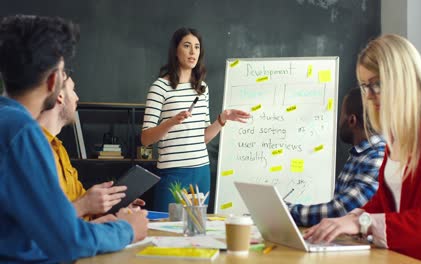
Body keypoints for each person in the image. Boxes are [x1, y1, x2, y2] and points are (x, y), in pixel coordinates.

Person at [303, 34, 421, 263]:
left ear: (403, 79)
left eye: (376, 84)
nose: (369, 96)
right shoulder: (398, 133)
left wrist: (361, 224)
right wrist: (347, 220)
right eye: (364, 86)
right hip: (399, 255)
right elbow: (383, 201)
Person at [0, 15, 148, 262]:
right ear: (52, 81)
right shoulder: (22, 132)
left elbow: (32, 232)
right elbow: (69, 241)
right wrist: (127, 229)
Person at [141, 27, 250, 212]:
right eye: (187, 46)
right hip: (173, 172)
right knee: (166, 231)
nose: (193, 52)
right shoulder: (159, 87)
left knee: (195, 231)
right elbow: (145, 139)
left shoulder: (202, 88)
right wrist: (171, 122)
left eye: (197, 47)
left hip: (201, 172)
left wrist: (222, 119)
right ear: (176, 50)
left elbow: (204, 138)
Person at [37, 71, 145, 222]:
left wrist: (112, 206)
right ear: (60, 96)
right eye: (73, 90)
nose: (77, 98)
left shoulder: (59, 149)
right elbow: (42, 222)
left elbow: (80, 204)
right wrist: (86, 205)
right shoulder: (33, 149)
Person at [287, 88, 385, 227]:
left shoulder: (377, 157)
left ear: (352, 120)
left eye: (341, 115)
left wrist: (287, 211)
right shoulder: (360, 154)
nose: (339, 122)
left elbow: (340, 210)